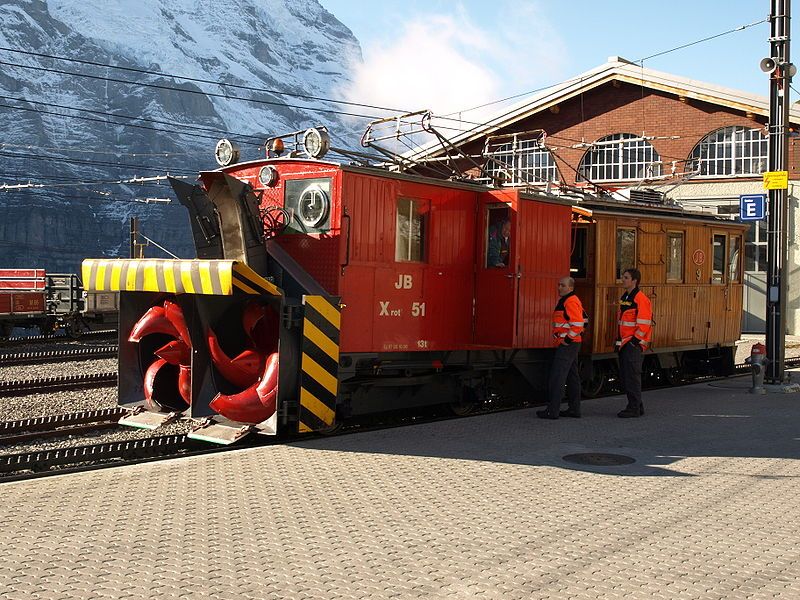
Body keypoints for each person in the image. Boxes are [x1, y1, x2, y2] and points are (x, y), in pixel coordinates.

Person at [537, 277, 587, 420]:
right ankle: (574, 409)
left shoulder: (570, 301)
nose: (559, 287)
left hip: (568, 345)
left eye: (563, 285)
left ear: (570, 288)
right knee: (572, 377)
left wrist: (567, 339)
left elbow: (578, 323)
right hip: (572, 344)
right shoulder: (570, 300)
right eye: (559, 285)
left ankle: (552, 411)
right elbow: (584, 320)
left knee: (557, 376)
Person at [616, 268, 653, 418]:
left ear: (634, 281)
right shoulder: (626, 296)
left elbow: (644, 323)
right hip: (626, 343)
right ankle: (637, 406)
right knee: (628, 376)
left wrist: (634, 341)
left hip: (632, 344)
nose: (622, 280)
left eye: (626, 277)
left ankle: (634, 408)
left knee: (631, 376)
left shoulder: (640, 298)